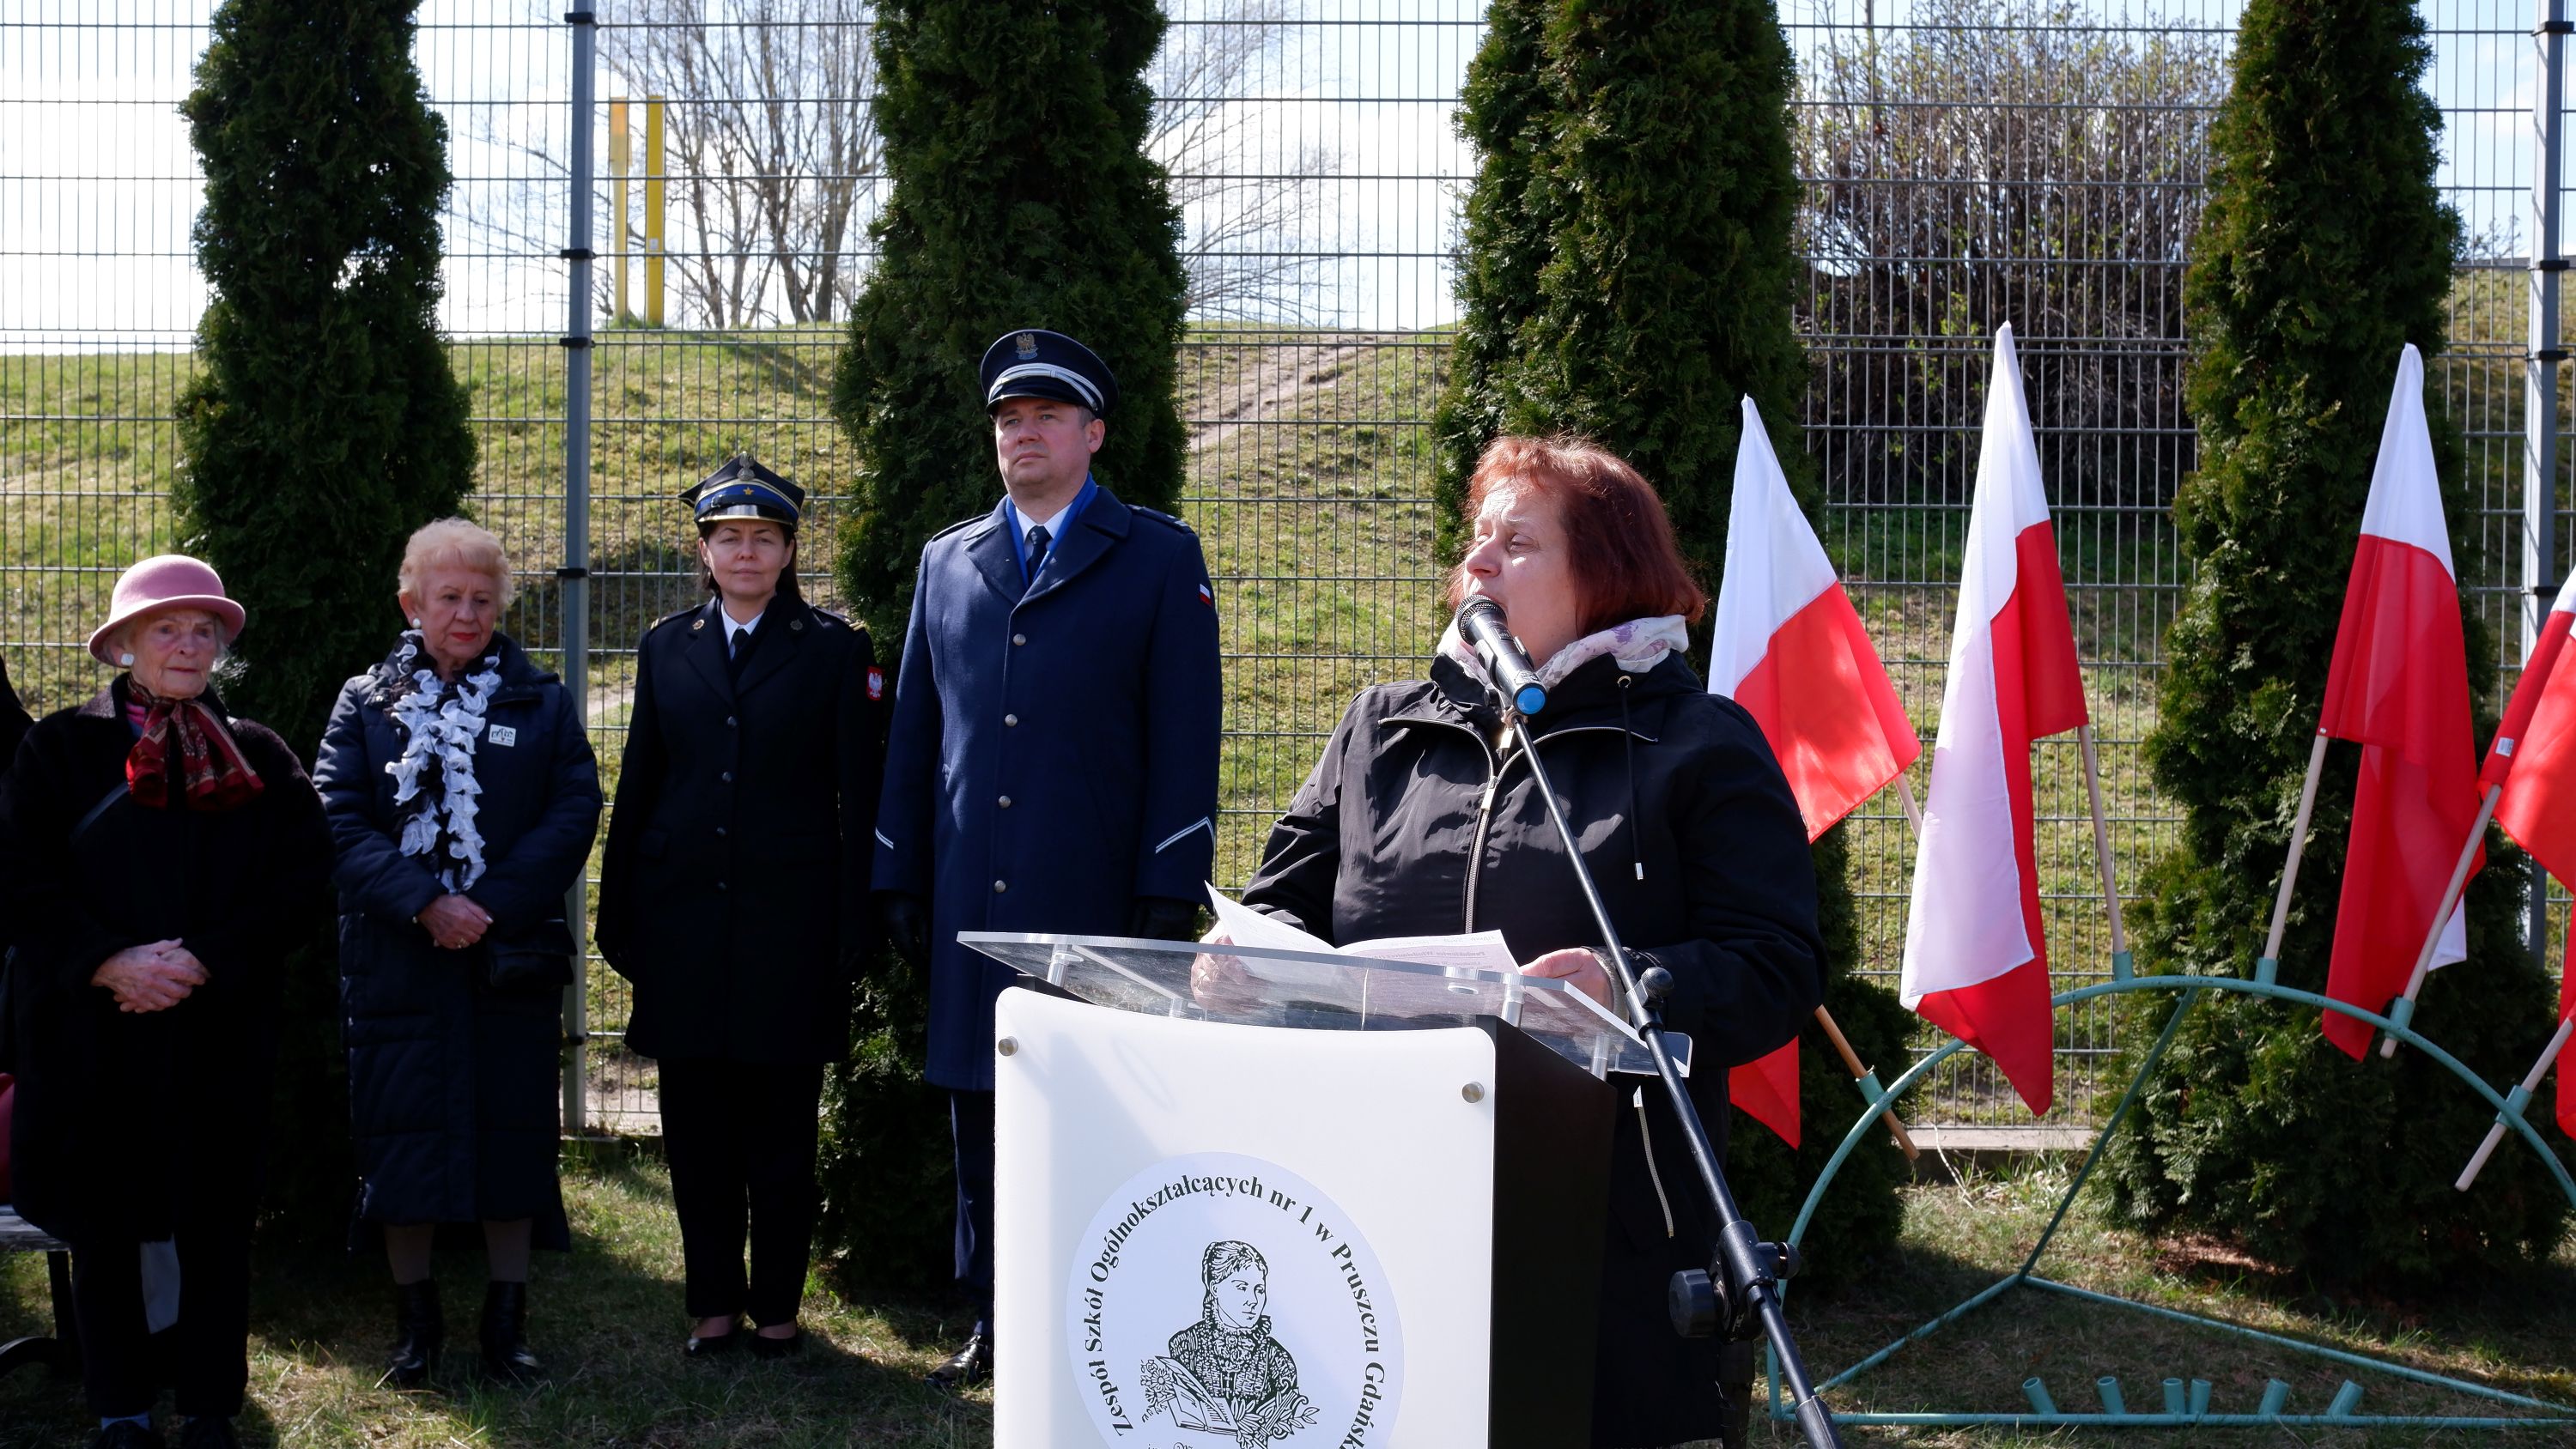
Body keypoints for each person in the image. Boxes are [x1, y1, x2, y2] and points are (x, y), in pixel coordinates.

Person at [1226, 435, 1826, 1449]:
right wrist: (1245, 956)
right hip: (1372, 1179)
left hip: (1604, 1216)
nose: (1479, 563)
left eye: (1517, 543)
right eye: (1476, 540)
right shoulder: (1381, 731)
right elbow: (1278, 903)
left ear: (1605, 573)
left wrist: (1626, 981)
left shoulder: (1697, 743)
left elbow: (1777, 962)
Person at [872, 328, 1223, 1387]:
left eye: (1048, 417)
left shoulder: (1156, 555)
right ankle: (995, 1319)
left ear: (1094, 433)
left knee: (1100, 1117)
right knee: (981, 1114)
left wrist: (1168, 883)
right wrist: (898, 869)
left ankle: (1103, 1322)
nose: (1024, 434)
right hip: (972, 898)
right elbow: (918, 732)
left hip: (1097, 898)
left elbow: (1185, 734)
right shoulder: (948, 561)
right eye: (1009, 419)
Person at [0, 555, 331, 1449]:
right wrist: (110, 962)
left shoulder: (259, 753)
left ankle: (210, 1405)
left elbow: (303, 881)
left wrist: (205, 959)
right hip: (90, 1035)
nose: (188, 645)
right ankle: (121, 1409)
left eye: (203, 631)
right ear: (123, 645)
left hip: (218, 1031)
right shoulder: (57, 750)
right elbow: (19, 879)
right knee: (104, 1226)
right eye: (166, 629)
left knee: (216, 1225)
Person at [597, 454, 880, 1360]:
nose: (746, 552)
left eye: (764, 537)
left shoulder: (834, 649)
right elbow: (641, 780)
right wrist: (620, 907)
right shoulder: (665, 645)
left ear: (790, 551)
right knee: (697, 1133)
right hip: (681, 923)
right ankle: (712, 1304)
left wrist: (854, 921)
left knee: (781, 1133)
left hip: (789, 928)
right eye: (728, 537)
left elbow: (860, 795)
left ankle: (778, 1310)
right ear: (704, 551)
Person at [313, 518, 602, 1386]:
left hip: (505, 953)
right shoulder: (364, 700)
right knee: (399, 1134)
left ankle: (506, 1324)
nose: (467, 614)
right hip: (395, 955)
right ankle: (416, 1326)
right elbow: (336, 816)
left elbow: (573, 808)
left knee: (513, 1132)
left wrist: (488, 905)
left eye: (483, 598)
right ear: (412, 603)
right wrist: (424, 903)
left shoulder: (539, 698)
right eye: (449, 598)